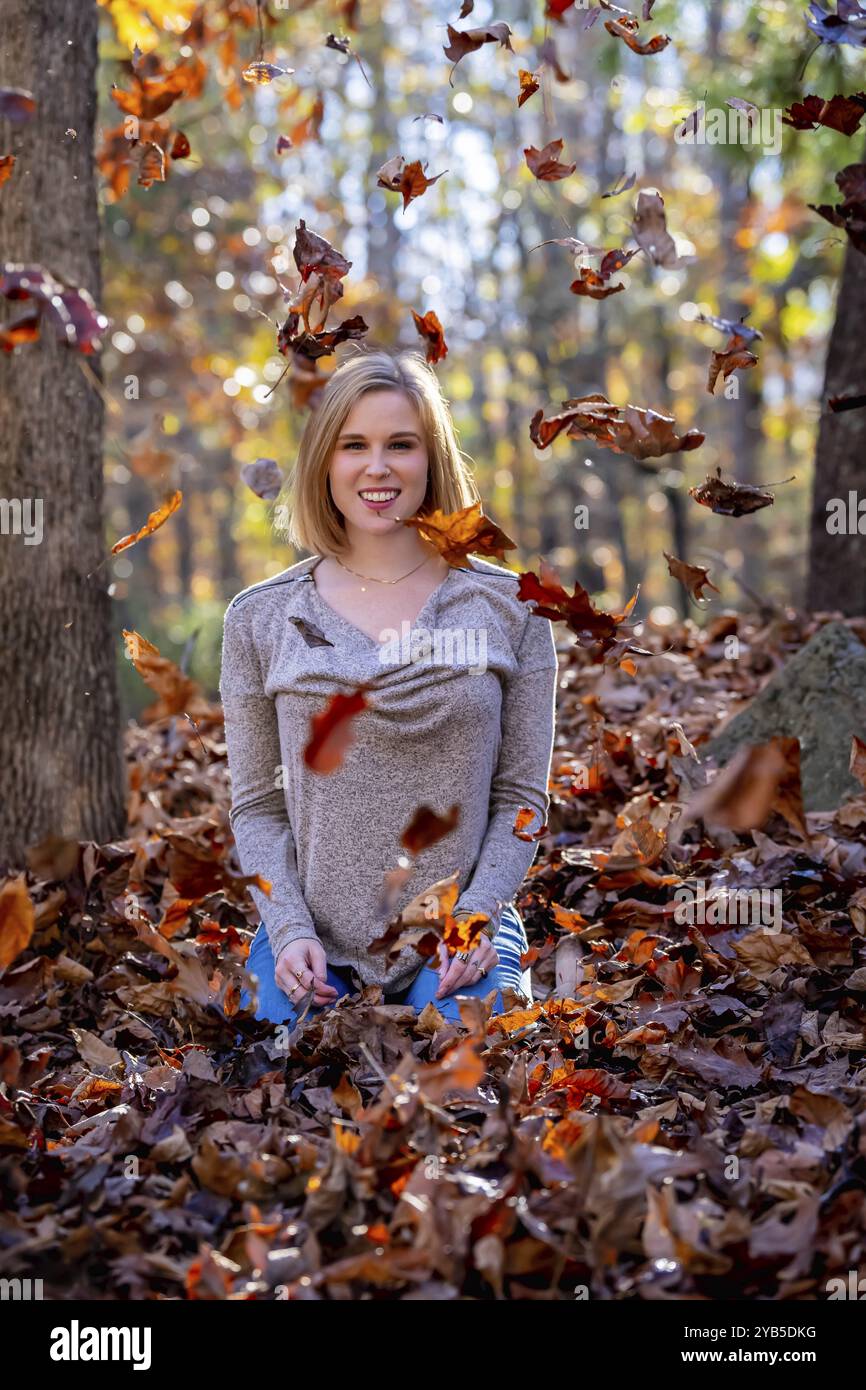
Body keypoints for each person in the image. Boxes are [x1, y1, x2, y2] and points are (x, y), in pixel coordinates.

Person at [219, 345, 559, 1028]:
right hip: (314, 941)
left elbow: (522, 801)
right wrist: (288, 931)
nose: (377, 467)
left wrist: (477, 916)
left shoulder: (509, 608)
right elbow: (256, 810)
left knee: (471, 1076)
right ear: (325, 462)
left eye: (400, 444)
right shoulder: (261, 618)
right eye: (354, 445)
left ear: (431, 459)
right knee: (285, 1091)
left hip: (461, 935)